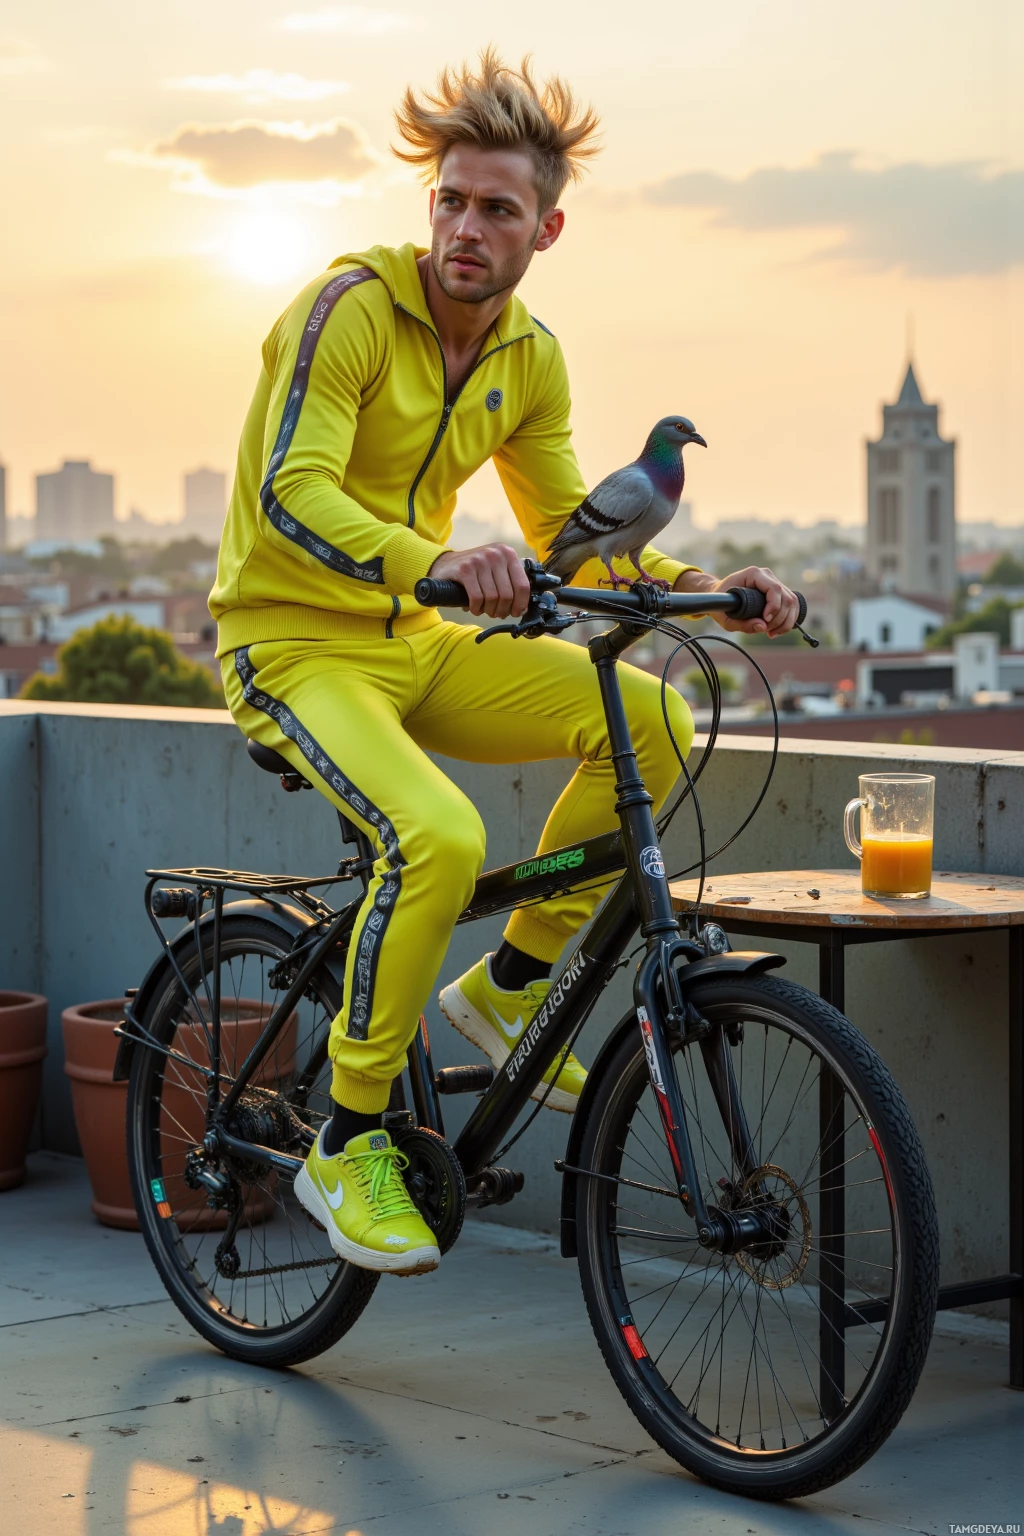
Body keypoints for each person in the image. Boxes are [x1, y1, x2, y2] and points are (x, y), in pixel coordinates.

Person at [210, 50, 799, 1277]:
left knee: (644, 721)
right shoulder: (349, 311)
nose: (465, 229)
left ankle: (507, 985)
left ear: (548, 226)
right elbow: (290, 494)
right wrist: (429, 562)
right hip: (292, 643)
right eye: (449, 201)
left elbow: (569, 537)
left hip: (417, 646)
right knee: (439, 838)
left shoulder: (530, 358)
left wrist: (711, 590)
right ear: (428, 201)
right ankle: (348, 1135)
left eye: (497, 209)